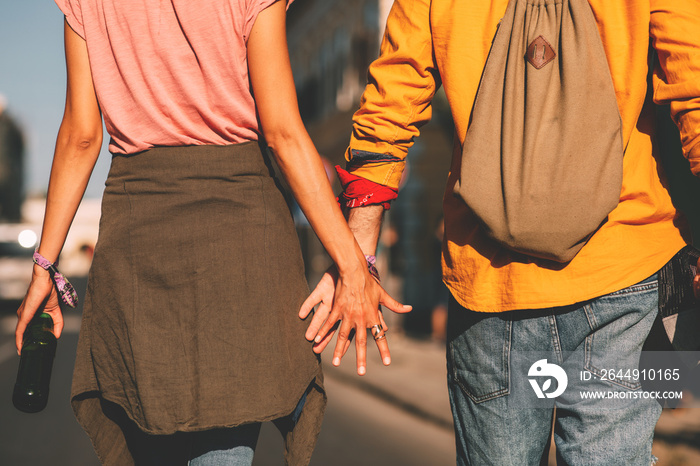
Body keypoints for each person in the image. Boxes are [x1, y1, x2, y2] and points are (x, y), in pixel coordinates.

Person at [301, 0, 700, 464]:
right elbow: (693, 86)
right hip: (627, 268)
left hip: (489, 280)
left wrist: (358, 257)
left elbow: (395, 93)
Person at [14, 1, 409, 464]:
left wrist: (44, 267)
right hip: (239, 228)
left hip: (138, 232)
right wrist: (352, 263)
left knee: (148, 425)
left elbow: (81, 136)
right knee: (227, 432)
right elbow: (282, 132)